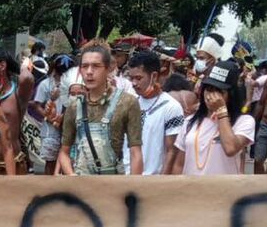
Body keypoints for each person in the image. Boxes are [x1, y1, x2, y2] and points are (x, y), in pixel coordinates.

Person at [57, 39, 143, 175]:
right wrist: (72, 177)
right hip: (81, 185)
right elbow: (64, 152)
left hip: (114, 185)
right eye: (85, 66)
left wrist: (132, 189)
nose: (89, 72)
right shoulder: (74, 106)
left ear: (109, 68)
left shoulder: (128, 102)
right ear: (80, 71)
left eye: (96, 66)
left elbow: (135, 152)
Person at [171, 61, 255, 176]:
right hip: (191, 191)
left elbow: (231, 148)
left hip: (224, 191)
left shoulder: (244, 121)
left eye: (219, 91)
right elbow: (179, 164)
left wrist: (221, 111)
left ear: (231, 95)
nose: (211, 96)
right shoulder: (190, 121)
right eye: (209, 89)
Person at [126, 51, 185, 175]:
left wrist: (161, 183)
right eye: (131, 78)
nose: (134, 83)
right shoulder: (130, 102)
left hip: (151, 181)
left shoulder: (171, 107)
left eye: (138, 78)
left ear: (154, 76)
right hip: (125, 177)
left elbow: (172, 151)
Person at [32, 54, 74, 175]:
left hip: (69, 129)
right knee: (51, 162)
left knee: (68, 163)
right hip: (51, 131)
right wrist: (49, 117)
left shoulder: (74, 84)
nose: (62, 76)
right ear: (54, 69)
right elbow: (36, 105)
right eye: (61, 73)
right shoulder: (45, 84)